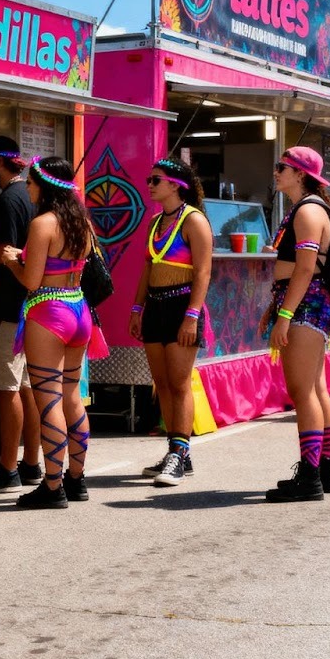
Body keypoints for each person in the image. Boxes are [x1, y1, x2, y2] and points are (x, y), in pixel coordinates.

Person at [0, 156, 109, 509]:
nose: (28, 188)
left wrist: (11, 262)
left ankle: (52, 486)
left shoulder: (42, 223)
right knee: (72, 396)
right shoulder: (82, 222)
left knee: (47, 400)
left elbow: (32, 281)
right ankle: (76, 480)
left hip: (48, 312)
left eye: (31, 183)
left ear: (45, 186)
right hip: (79, 309)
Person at [130, 158, 213, 487]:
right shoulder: (154, 223)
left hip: (182, 306)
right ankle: (176, 451)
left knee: (179, 384)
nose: (150, 185)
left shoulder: (194, 220)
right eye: (149, 180)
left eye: (156, 180)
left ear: (177, 185)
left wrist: (192, 316)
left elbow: (203, 272)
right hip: (156, 306)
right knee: (161, 384)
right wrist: (137, 308)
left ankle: (179, 453)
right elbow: (148, 268)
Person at [262, 147, 330, 503]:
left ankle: (310, 478)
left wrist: (285, 315)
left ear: (300, 174)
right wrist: (276, 306)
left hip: (306, 305)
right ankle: (323, 470)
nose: (276, 171)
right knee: (316, 389)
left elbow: (306, 268)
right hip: (307, 302)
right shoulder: (306, 208)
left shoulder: (307, 211)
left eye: (282, 167)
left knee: (302, 391)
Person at [0, 136, 42, 492]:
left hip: (6, 308)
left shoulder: (8, 200)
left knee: (5, 390)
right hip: (28, 307)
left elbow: (3, 247)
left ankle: (8, 468)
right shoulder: (28, 196)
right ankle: (31, 463)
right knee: (26, 389)